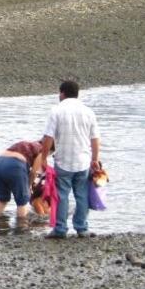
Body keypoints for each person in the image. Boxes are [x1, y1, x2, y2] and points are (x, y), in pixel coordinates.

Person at [40, 80, 101, 239]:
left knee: (62, 195)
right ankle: (82, 228)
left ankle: (60, 229)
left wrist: (44, 157)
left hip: (63, 161)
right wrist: (95, 159)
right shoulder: (88, 112)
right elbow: (95, 139)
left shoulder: (56, 111)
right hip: (83, 161)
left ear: (62, 93)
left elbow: (48, 137)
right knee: (81, 194)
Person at [0, 139, 48, 219]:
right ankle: (22, 229)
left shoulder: (27, 144)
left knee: (2, 200)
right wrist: (28, 187)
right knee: (22, 203)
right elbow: (33, 172)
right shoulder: (43, 151)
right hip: (16, 166)